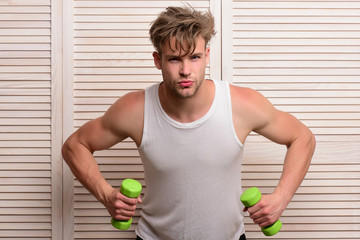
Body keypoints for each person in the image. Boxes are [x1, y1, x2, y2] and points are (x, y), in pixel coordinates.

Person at [62, 6, 316, 240]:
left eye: (194, 57)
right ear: (157, 60)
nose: (185, 70)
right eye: (174, 59)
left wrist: (282, 197)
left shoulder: (242, 105)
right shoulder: (135, 109)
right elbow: (75, 146)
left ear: (206, 56)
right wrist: (106, 195)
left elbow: (302, 137)